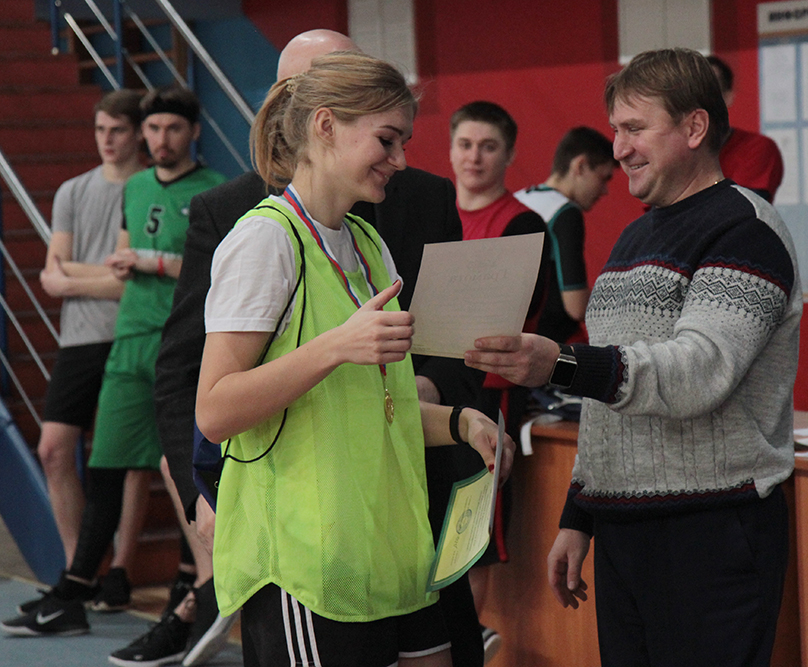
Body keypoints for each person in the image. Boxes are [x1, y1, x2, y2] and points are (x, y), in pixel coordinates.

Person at [144, 29, 486, 667]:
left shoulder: (367, 243)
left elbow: (373, 404)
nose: (400, 160)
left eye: (404, 143)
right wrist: (334, 347)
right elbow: (214, 409)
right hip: (312, 562)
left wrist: (460, 422)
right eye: (387, 140)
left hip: (392, 543)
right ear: (326, 125)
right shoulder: (263, 241)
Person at [465, 48, 802, 667]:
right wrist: (580, 514)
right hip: (625, 532)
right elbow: (610, 400)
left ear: (694, 128)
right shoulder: (634, 236)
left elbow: (700, 370)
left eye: (634, 128)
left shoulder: (745, 229)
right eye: (616, 130)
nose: (618, 149)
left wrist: (561, 364)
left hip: (712, 531)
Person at [2, 85, 226, 639]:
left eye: (173, 128)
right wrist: (134, 265)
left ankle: (197, 591)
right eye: (154, 128)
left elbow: (215, 272)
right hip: (129, 336)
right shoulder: (138, 187)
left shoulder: (216, 190)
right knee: (104, 463)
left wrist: (153, 263)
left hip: (184, 343)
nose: (162, 138)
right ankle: (76, 589)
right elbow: (123, 262)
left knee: (184, 467)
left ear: (194, 131)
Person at [449, 100, 549, 660]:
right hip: (428, 394)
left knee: (471, 536)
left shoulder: (522, 224)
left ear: (508, 155)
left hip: (489, 397)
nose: (475, 157)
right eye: (465, 144)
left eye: (488, 147)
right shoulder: (435, 214)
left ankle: (469, 642)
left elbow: (514, 315)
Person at [32, 89, 144, 583]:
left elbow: (128, 284)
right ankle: (79, 567)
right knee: (52, 449)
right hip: (78, 338)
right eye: (100, 130)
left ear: (137, 133)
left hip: (132, 333)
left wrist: (77, 277)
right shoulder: (72, 192)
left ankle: (120, 568)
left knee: (129, 458)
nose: (107, 140)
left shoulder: (148, 189)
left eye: (117, 130)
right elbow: (52, 273)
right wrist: (112, 276)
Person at [514, 126, 615, 344]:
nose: (604, 191)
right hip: (549, 346)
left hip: (511, 340)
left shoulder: (518, 199)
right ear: (580, 166)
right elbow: (576, 307)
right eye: (603, 178)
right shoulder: (565, 213)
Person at [707, 55, 783, 203]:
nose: (697, 102)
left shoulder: (756, 148)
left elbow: (741, 208)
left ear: (727, 97)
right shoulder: (675, 151)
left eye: (708, 92)